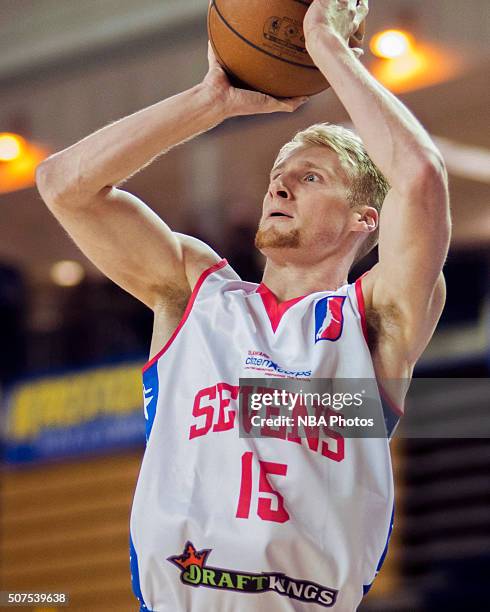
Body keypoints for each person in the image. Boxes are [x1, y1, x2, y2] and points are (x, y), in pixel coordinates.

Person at [35, 1, 450, 610]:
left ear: (368, 219)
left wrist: (324, 46)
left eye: (311, 178)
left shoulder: (375, 318)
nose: (279, 185)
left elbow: (418, 181)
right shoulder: (194, 292)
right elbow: (63, 185)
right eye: (278, 175)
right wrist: (211, 101)